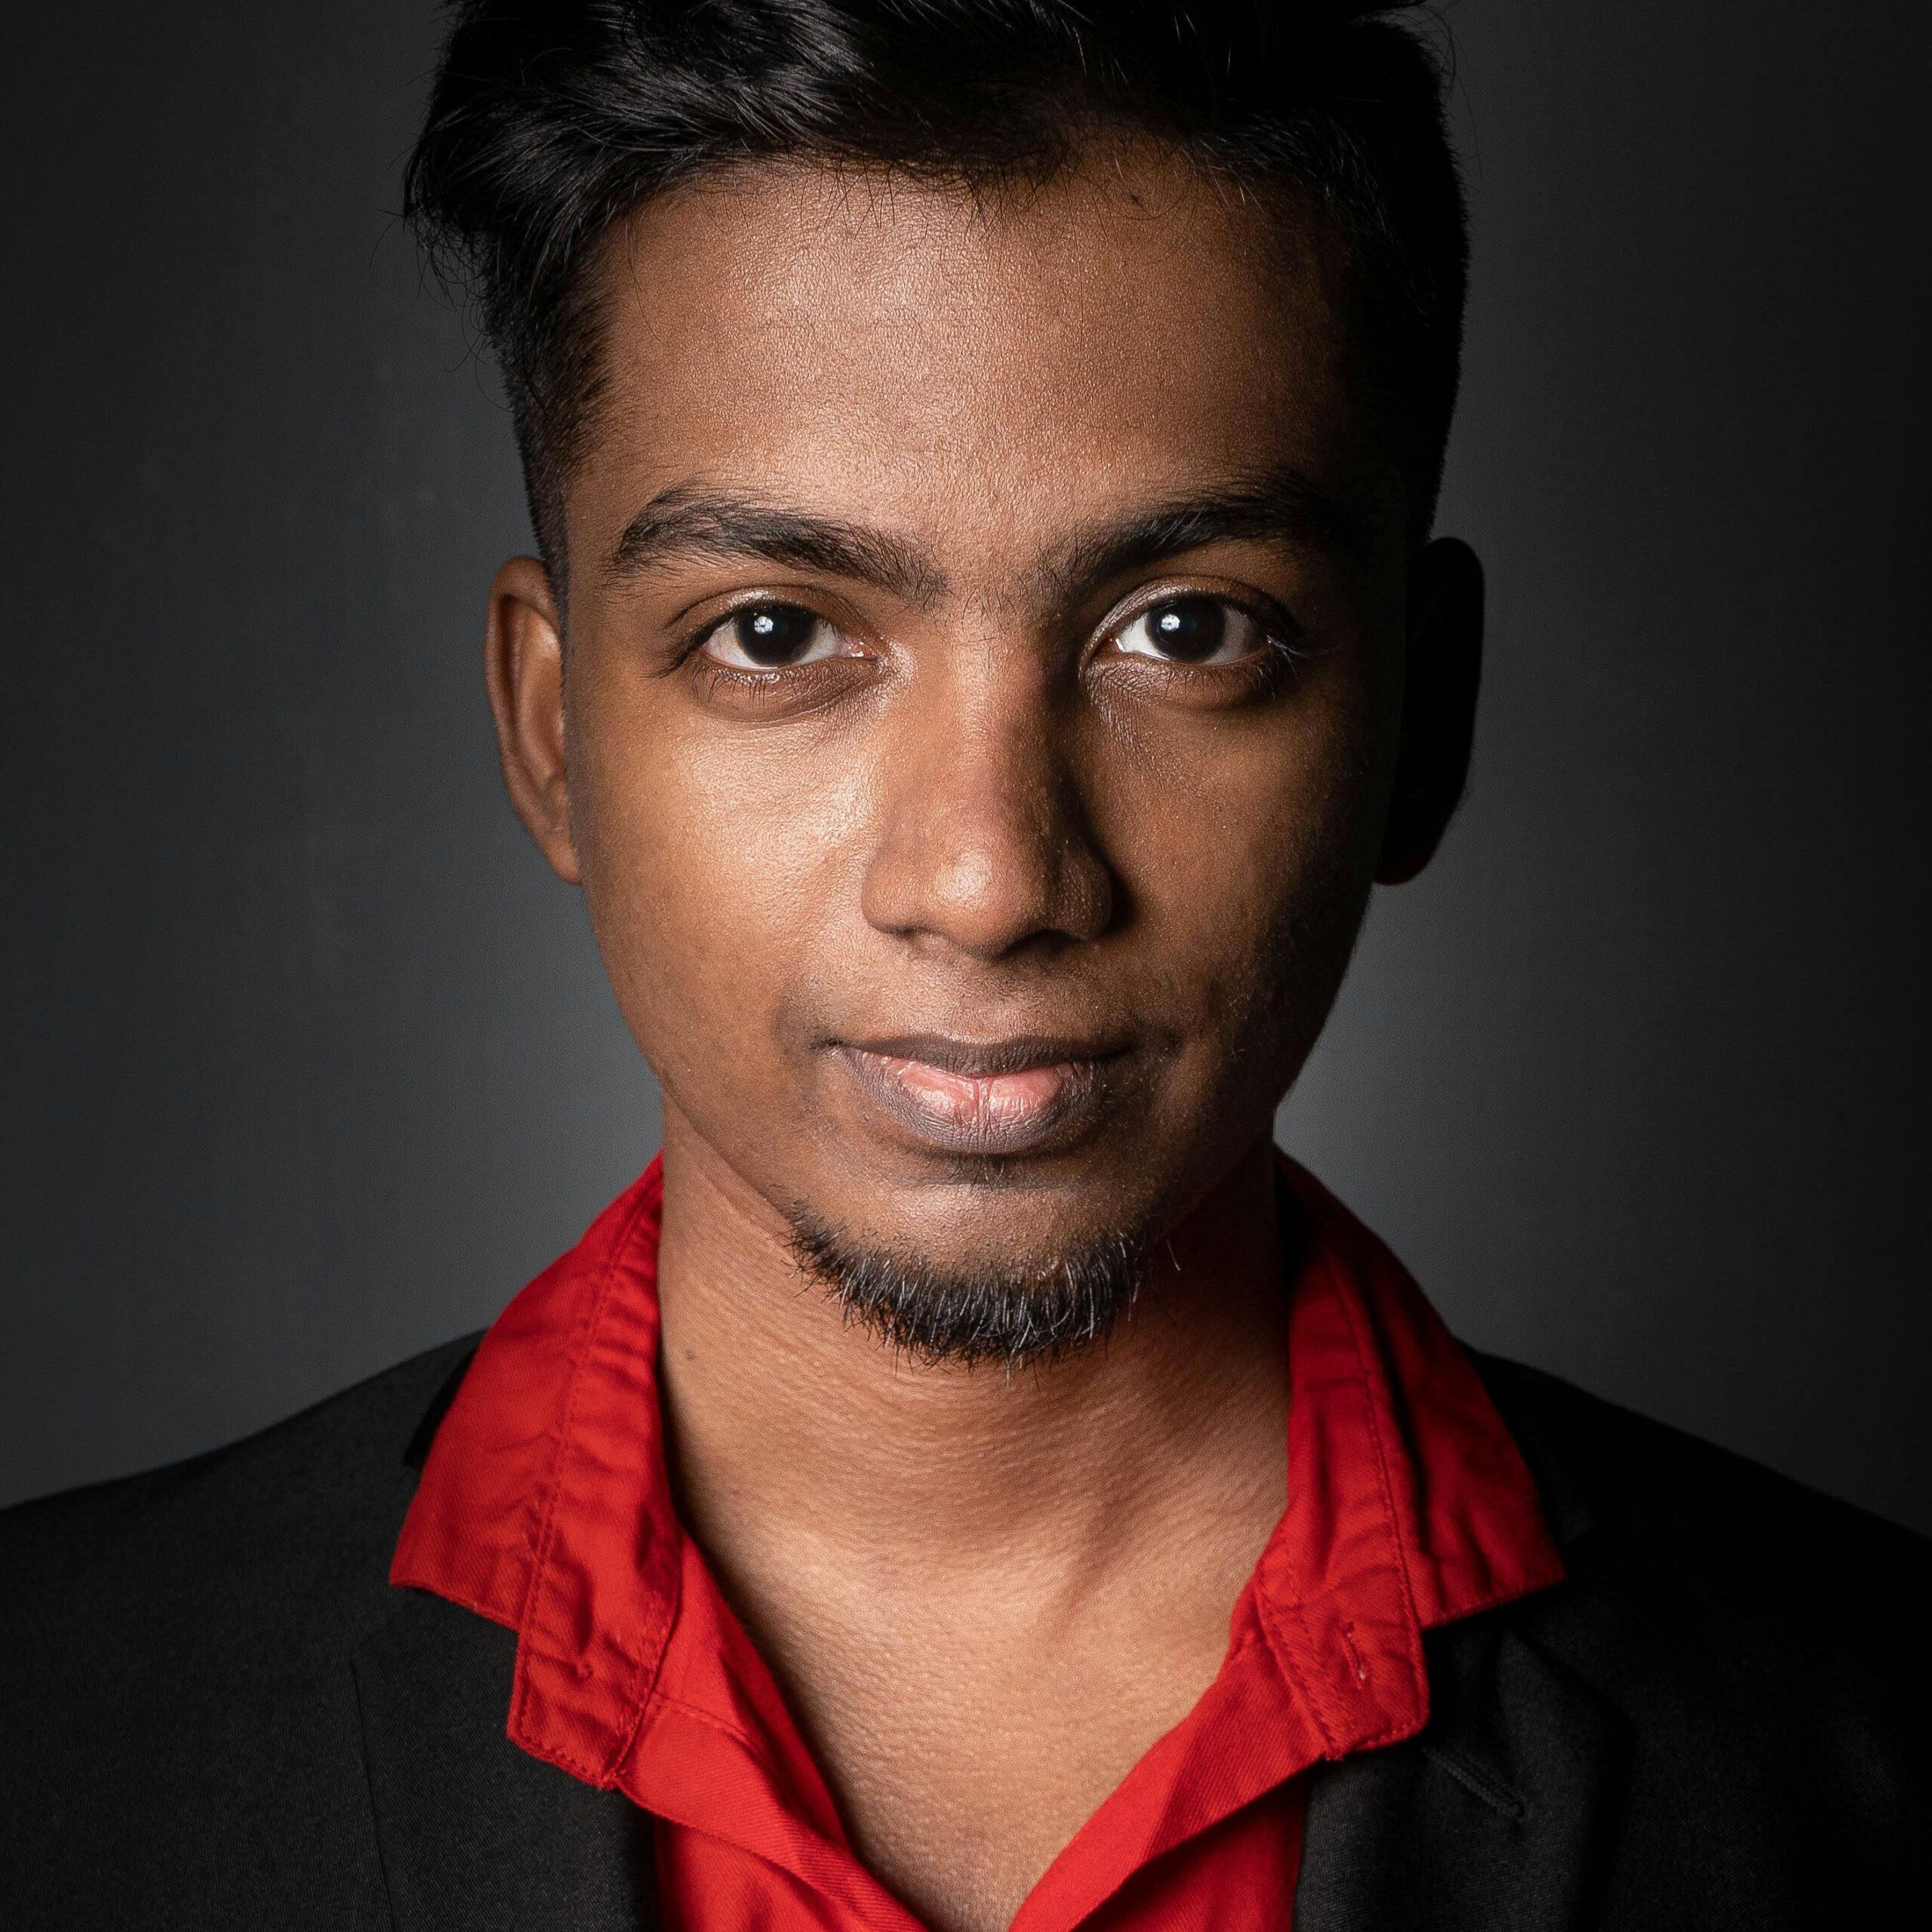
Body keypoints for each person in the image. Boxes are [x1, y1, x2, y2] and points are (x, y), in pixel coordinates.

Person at [3, 3, 1925, 1927]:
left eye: (1184, 628)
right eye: (773, 633)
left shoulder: (1860, 1753)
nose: (991, 876)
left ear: (1420, 721)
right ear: (553, 732)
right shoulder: (59, 1722)